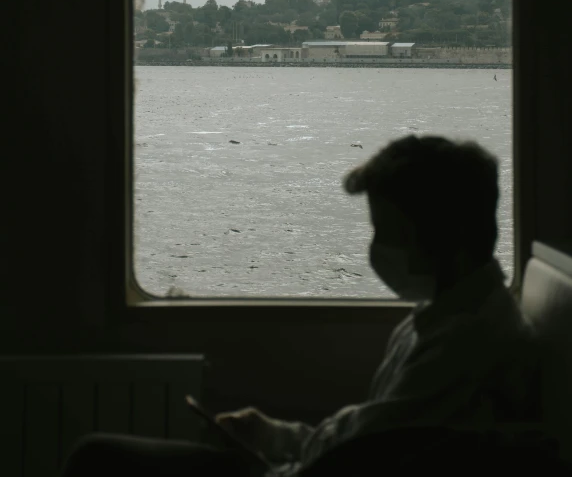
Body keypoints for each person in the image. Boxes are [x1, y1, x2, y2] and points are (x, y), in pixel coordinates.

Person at [61, 135, 540, 477]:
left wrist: (274, 455)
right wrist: (271, 435)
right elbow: (366, 438)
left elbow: (363, 454)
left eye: (389, 235)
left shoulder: (466, 345)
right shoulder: (441, 318)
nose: (376, 252)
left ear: (448, 238)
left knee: (97, 458)